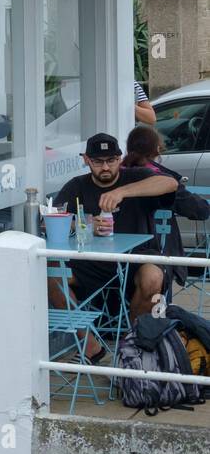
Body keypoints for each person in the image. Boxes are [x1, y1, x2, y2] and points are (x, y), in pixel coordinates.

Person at [53, 132, 178, 360]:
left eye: (111, 160)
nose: (105, 167)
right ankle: (90, 345)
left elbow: (170, 183)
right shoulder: (77, 186)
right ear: (86, 160)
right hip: (91, 263)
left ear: (120, 159)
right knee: (49, 274)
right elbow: (52, 217)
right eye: (98, 161)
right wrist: (85, 223)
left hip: (137, 258)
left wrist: (121, 192)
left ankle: (132, 349)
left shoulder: (135, 176)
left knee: (153, 277)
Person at [121, 125, 210, 291]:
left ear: (128, 148)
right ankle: (160, 311)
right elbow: (201, 210)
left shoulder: (116, 175)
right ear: (157, 149)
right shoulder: (162, 180)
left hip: (114, 257)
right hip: (155, 256)